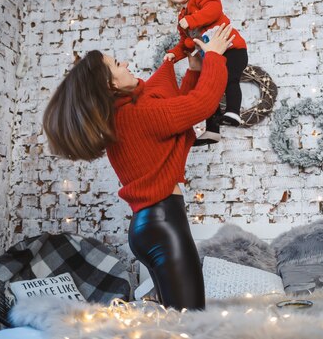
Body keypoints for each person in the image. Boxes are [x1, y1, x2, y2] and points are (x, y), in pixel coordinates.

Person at [42, 24, 235, 311]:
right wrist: (215, 56)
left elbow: (175, 109)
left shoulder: (124, 115)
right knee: (190, 321)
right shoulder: (139, 114)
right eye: (118, 64)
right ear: (111, 85)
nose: (128, 64)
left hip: (147, 227)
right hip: (165, 225)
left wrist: (194, 70)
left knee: (171, 319)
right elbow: (202, 104)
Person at [161, 0, 248, 146]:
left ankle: (233, 112)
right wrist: (174, 55)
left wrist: (191, 20)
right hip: (212, 58)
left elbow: (214, 9)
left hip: (233, 49)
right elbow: (185, 43)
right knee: (210, 91)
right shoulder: (182, 18)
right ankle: (212, 131)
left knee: (230, 80)